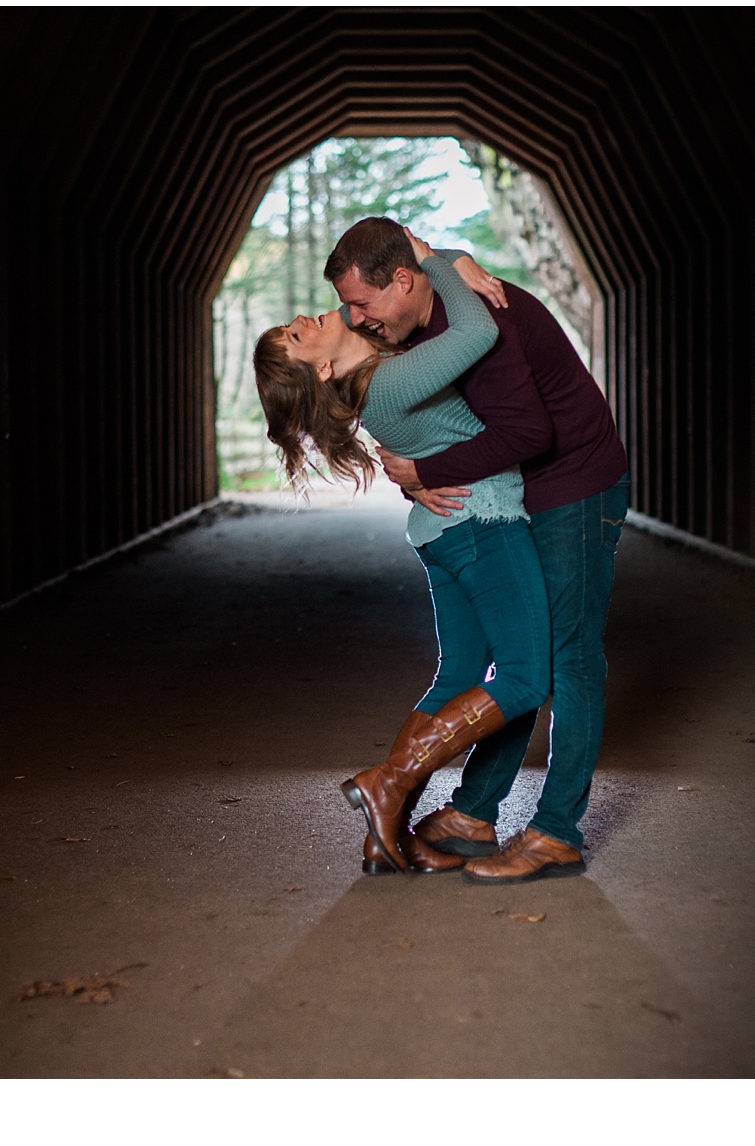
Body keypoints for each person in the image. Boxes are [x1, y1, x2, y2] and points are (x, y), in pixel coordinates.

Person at [325, 216, 629, 885]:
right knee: (521, 653)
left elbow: (526, 430)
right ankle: (474, 814)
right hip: (522, 489)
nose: (357, 319)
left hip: (573, 481)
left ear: (403, 280)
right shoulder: (425, 320)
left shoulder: (479, 322)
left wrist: (426, 474)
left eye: (363, 304)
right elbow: (439, 428)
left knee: (566, 656)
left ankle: (556, 833)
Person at [253, 228, 551, 877]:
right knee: (527, 675)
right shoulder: (386, 384)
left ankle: (384, 825)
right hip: (482, 523)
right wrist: (440, 257)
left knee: (457, 678)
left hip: (445, 531)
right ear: (323, 370)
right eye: (297, 338)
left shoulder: (384, 373)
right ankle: (389, 783)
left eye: (291, 325)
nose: (303, 319)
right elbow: (477, 334)